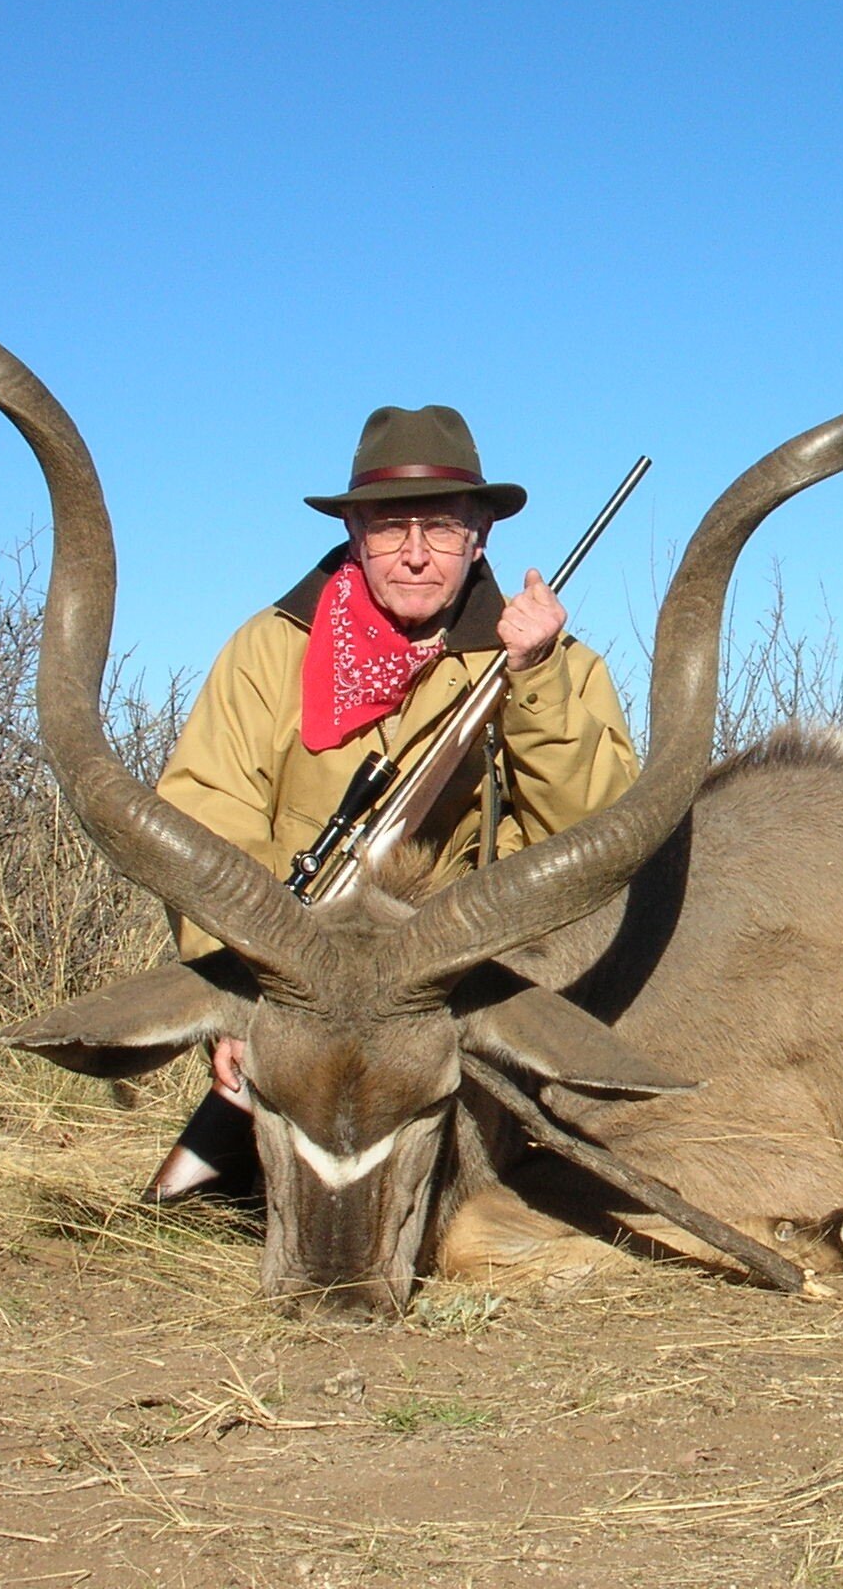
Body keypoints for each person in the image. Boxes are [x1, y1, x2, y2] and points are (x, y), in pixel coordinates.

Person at [143, 404, 640, 1199]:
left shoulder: (552, 660)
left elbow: (600, 838)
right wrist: (237, 1000)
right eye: (389, 528)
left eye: (440, 528)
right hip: (298, 984)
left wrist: (536, 678)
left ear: (480, 534)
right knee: (195, 1207)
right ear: (354, 533)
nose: (415, 556)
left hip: (461, 994)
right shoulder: (269, 650)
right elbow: (204, 824)